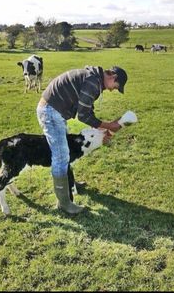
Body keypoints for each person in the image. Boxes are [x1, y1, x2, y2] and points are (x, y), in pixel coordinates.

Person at [37, 65, 128, 215]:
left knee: (64, 151)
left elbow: (88, 109)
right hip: (50, 112)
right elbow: (83, 115)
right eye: (115, 87)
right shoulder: (93, 82)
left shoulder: (94, 79)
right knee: (61, 156)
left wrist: (105, 129)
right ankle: (64, 203)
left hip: (54, 110)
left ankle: (70, 183)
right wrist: (109, 125)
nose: (113, 90)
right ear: (113, 77)